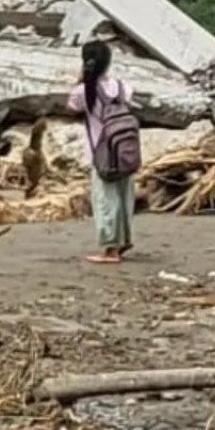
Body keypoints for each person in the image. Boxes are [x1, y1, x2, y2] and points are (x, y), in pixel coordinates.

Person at [68, 41, 136, 264]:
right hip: (125, 148)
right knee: (124, 196)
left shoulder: (83, 92)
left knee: (105, 199)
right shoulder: (121, 86)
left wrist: (82, 79)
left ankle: (110, 250)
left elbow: (72, 107)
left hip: (101, 152)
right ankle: (124, 240)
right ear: (108, 63)